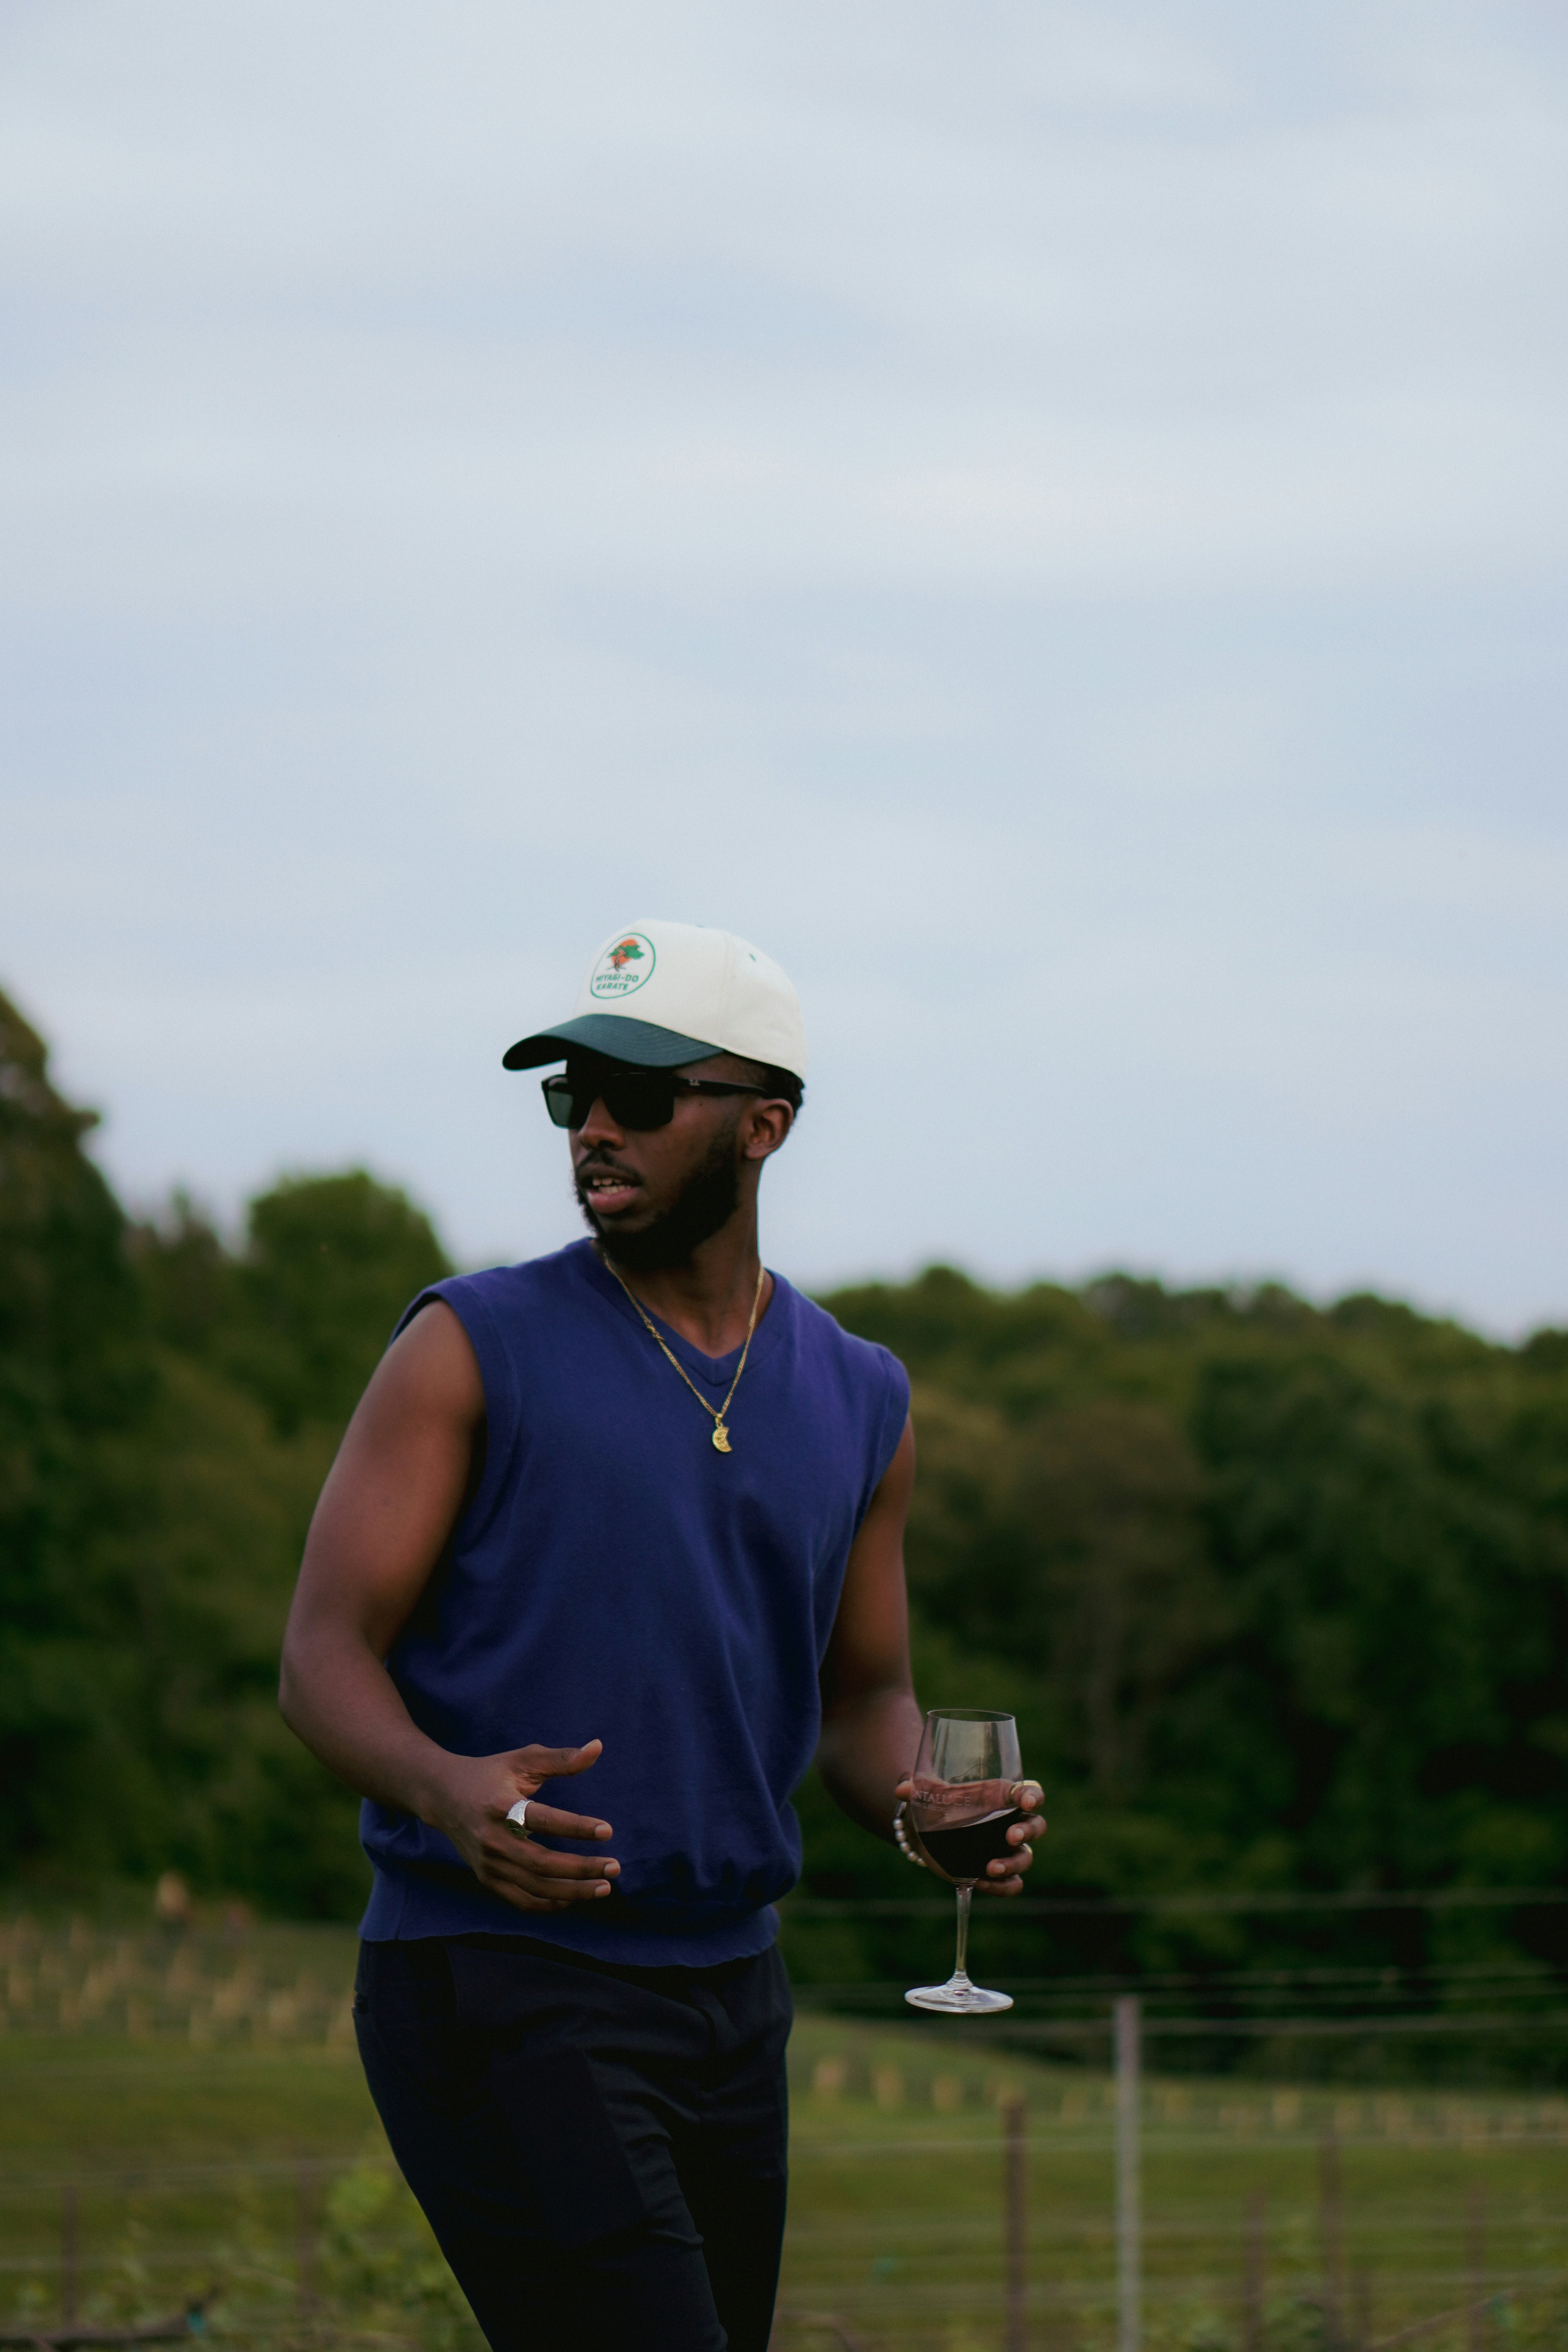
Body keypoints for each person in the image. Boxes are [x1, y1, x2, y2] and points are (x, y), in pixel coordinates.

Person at [278, 919, 1043, 2352]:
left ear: (765, 1124)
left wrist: (919, 1801)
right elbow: (320, 1656)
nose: (597, 1127)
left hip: (734, 1999)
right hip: (499, 1978)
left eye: (642, 1092)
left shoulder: (862, 1394)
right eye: (574, 1092)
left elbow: (866, 1694)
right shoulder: (468, 1343)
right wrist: (446, 1788)